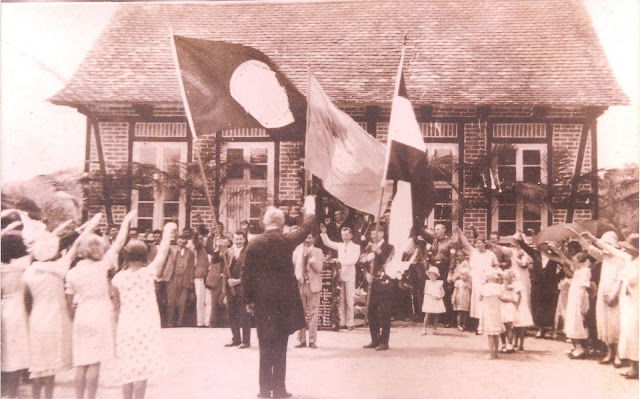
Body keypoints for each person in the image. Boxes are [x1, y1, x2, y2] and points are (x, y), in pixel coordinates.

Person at [243, 196, 316, 399]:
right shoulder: (287, 241)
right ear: (282, 223)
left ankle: (265, 390)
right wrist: (310, 206)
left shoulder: (254, 243)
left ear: (264, 222)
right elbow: (308, 225)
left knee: (265, 345)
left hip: (262, 301)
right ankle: (280, 389)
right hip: (284, 302)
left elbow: (246, 274)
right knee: (281, 346)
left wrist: (248, 300)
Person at [23, 213, 99, 399]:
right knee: (51, 369)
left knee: (37, 367)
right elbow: (74, 248)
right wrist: (89, 227)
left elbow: (26, 301)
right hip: (55, 318)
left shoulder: (29, 272)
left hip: (36, 319)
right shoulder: (60, 267)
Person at [65, 211, 133, 399]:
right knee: (94, 362)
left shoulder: (72, 272)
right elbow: (119, 244)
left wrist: (89, 227)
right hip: (100, 312)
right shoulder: (103, 264)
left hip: (82, 313)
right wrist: (126, 222)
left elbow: (69, 302)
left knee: (81, 362)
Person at [111, 220, 176, 399]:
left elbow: (116, 306)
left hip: (125, 324)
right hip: (146, 325)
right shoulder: (148, 273)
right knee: (142, 369)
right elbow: (162, 252)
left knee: (127, 368)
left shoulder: (118, 278)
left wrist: (115, 326)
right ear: (145, 255)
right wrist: (168, 231)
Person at [580, 231, 628, 367]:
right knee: (604, 322)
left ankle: (619, 355)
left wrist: (593, 238)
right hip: (603, 292)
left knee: (616, 324)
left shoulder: (621, 256)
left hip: (616, 293)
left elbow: (621, 278)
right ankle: (610, 353)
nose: (604, 248)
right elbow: (591, 250)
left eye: (607, 245)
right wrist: (581, 239)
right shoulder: (605, 257)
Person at [1, 229, 31, 399]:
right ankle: (12, 394)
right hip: (20, 312)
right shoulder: (24, 267)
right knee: (16, 357)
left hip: (4, 309)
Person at [455, 226, 499, 333]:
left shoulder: (490, 254)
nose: (477, 245)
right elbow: (465, 243)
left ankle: (484, 325)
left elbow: (496, 265)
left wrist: (495, 274)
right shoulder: (473, 252)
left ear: (484, 243)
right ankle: (478, 325)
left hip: (486, 281)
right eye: (476, 243)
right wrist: (460, 232)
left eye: (479, 243)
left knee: (485, 301)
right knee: (476, 302)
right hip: (475, 280)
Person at [320, 225, 361, 330]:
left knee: (349, 299)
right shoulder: (340, 245)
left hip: (350, 274)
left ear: (351, 235)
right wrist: (324, 233)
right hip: (341, 274)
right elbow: (328, 243)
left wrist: (339, 262)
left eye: (347, 234)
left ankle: (350, 323)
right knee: (341, 298)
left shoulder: (356, 247)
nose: (344, 236)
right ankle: (342, 321)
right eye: (343, 235)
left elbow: (354, 260)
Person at [362, 226, 395, 351]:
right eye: (371, 232)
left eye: (375, 232)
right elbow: (362, 262)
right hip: (371, 283)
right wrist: (366, 274)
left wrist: (378, 252)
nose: (372, 234)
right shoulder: (368, 246)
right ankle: (374, 339)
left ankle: (384, 341)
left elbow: (385, 261)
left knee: (384, 312)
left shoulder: (389, 247)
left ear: (381, 233)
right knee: (371, 311)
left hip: (384, 282)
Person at [292, 232, 324, 348]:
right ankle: (301, 340)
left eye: (310, 238)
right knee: (300, 313)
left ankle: (312, 340)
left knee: (313, 314)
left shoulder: (318, 251)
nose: (307, 240)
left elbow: (319, 268)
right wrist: (298, 276)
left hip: (313, 285)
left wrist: (312, 259)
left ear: (313, 239)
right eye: (305, 237)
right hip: (300, 284)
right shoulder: (297, 250)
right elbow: (293, 265)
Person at [615, 234, 639, 379]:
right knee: (629, 332)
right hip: (629, 302)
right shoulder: (631, 261)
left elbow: (631, 279)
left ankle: (635, 368)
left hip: (636, 302)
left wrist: (624, 278)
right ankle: (633, 366)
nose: (627, 250)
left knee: (635, 333)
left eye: (630, 248)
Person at [222, 231, 251, 348]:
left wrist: (239, 280)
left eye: (240, 239)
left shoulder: (249, 253)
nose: (238, 241)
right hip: (230, 287)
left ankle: (246, 341)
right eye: (236, 239)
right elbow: (218, 263)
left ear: (244, 240)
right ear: (233, 240)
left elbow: (251, 272)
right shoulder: (228, 252)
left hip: (243, 287)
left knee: (244, 314)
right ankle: (236, 339)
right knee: (232, 314)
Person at [424, 223, 456, 326]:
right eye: (435, 229)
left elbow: (453, 259)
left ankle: (448, 320)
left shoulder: (449, 242)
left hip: (444, 268)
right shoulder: (434, 241)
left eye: (438, 229)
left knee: (444, 293)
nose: (436, 231)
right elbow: (429, 256)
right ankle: (436, 319)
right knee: (434, 292)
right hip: (435, 268)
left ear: (444, 230)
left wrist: (450, 272)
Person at [563, 250, 592, 359]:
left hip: (578, 299)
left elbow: (583, 288)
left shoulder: (585, 271)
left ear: (580, 261)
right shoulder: (578, 270)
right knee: (572, 322)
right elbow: (575, 282)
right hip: (573, 298)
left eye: (575, 260)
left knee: (578, 322)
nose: (573, 262)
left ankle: (581, 348)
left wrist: (581, 304)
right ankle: (577, 347)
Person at [161, 234, 195, 327]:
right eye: (180, 239)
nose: (182, 241)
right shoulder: (171, 250)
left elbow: (191, 268)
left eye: (184, 240)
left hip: (185, 278)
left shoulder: (190, 253)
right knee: (171, 301)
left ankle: (180, 322)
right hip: (172, 277)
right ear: (177, 240)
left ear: (186, 242)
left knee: (182, 301)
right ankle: (170, 322)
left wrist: (191, 281)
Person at [478, 269, 505, 360]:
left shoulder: (484, 287)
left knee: (490, 333)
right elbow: (502, 298)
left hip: (488, 312)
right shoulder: (499, 287)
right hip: (496, 311)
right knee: (496, 333)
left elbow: (480, 298)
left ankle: (491, 354)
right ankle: (496, 354)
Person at [208, 236, 230, 327]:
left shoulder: (230, 253)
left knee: (225, 301)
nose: (223, 246)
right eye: (222, 244)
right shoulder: (216, 254)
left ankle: (227, 322)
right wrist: (217, 248)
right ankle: (213, 323)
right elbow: (214, 261)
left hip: (226, 280)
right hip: (217, 280)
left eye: (225, 244)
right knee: (214, 302)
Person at [192, 232, 212, 328]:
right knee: (200, 299)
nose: (202, 241)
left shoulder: (208, 250)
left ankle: (207, 321)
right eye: (200, 239)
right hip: (199, 277)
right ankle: (200, 322)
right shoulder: (197, 249)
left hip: (208, 277)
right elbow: (196, 243)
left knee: (208, 300)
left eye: (203, 239)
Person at [421, 266, 445, 335]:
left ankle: (435, 329)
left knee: (435, 315)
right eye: (430, 275)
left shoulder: (439, 283)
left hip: (436, 300)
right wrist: (431, 295)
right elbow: (425, 291)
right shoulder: (427, 282)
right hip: (429, 300)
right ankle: (424, 329)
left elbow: (443, 292)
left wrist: (440, 296)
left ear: (436, 276)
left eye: (433, 275)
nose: (431, 276)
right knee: (427, 314)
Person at [499, 269, 517, 353]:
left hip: (510, 308)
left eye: (507, 278)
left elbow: (516, 298)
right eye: (504, 278)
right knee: (502, 327)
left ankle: (509, 345)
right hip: (502, 307)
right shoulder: (500, 287)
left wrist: (513, 301)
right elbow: (500, 298)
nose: (505, 280)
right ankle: (503, 344)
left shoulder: (514, 287)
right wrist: (511, 300)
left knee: (509, 327)